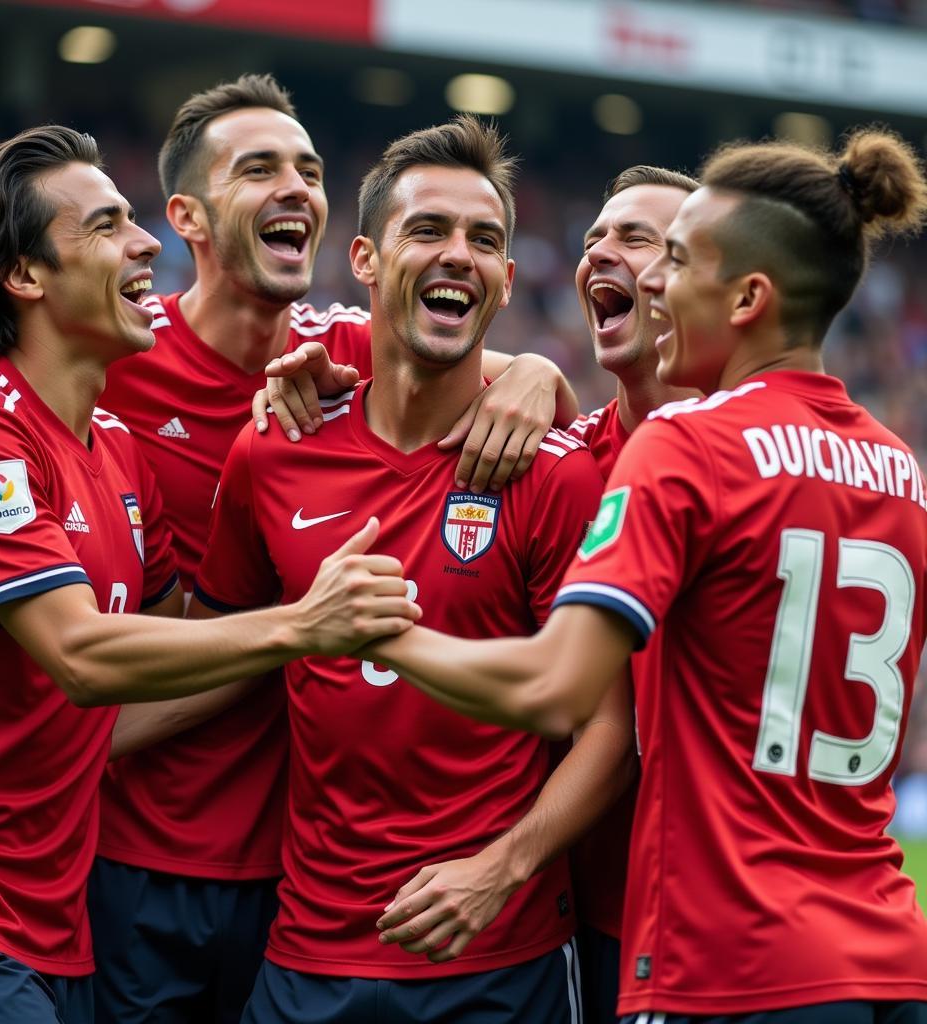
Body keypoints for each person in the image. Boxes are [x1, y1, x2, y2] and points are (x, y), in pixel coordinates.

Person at [0, 75, 580, 1024]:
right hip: (119, 863)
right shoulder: (100, 365)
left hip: (297, 890)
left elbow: (465, 345)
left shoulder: (336, 347)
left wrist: (542, 373)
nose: (296, 186)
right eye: (258, 168)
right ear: (187, 214)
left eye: (308, 168)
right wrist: (307, 626)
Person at [369, 128, 927, 1022]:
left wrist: (373, 630)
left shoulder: (689, 447)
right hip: (887, 950)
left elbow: (557, 685)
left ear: (747, 296)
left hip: (730, 957)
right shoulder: (901, 468)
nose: (654, 281)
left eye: (673, 259)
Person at [192, 114, 628, 1023]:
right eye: (427, 230)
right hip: (305, 952)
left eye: (484, 239)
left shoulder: (552, 474)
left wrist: (498, 869)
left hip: (500, 958)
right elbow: (212, 657)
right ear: (363, 259)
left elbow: (610, 726)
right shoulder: (272, 451)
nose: (457, 255)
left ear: (508, 281)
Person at [374, 164, 699, 1023]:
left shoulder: (753, 461)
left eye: (637, 238)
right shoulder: (563, 456)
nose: (599, 250)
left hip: (722, 918)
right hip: (590, 911)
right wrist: (525, 364)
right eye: (595, 235)